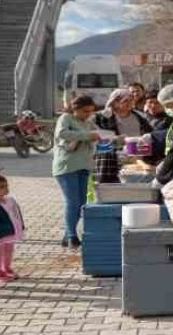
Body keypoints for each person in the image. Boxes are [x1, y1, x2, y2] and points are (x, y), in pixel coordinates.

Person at [53, 95, 100, 248]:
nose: (88, 114)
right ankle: (72, 236)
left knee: (81, 203)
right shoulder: (66, 118)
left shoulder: (88, 123)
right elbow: (62, 133)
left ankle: (68, 235)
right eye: (85, 111)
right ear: (76, 109)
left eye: (91, 112)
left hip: (84, 165)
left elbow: (99, 134)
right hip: (67, 166)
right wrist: (87, 136)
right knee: (72, 202)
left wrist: (114, 138)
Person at [94, 89, 153, 183]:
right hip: (112, 152)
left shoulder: (140, 117)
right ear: (115, 102)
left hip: (137, 150)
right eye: (125, 101)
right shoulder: (102, 117)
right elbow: (98, 138)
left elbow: (149, 134)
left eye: (131, 100)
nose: (129, 103)